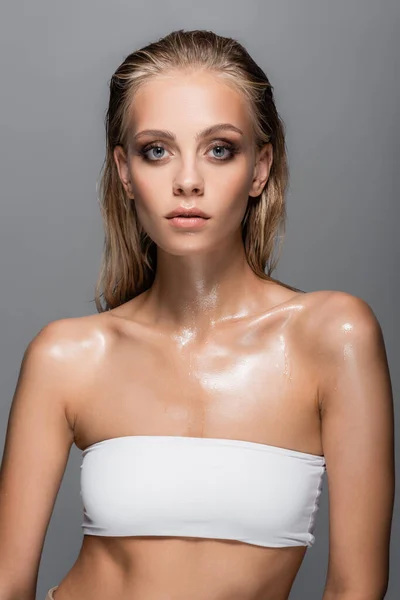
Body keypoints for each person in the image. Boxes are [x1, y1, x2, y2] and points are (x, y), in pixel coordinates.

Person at [0, 29, 394, 600]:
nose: (188, 181)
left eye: (219, 149)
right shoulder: (68, 355)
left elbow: (357, 587)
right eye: (156, 150)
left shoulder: (333, 337)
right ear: (125, 172)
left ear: (260, 168)